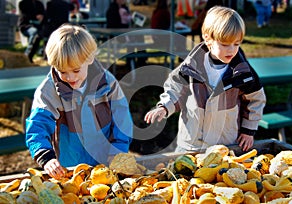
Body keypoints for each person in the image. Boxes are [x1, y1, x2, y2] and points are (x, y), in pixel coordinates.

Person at [144, 6, 266, 153]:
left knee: (220, 176)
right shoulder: (190, 68)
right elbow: (175, 91)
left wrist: (248, 130)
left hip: (224, 145)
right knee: (182, 174)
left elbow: (256, 100)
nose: (232, 50)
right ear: (208, 39)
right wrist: (164, 107)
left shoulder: (243, 74)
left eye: (237, 44)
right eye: (225, 44)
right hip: (190, 145)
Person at [25, 24, 133, 179]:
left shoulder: (107, 83)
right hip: (69, 168)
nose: (70, 78)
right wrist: (46, 158)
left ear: (89, 59)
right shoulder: (48, 91)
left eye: (76, 70)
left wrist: (117, 150)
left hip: (106, 164)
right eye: (62, 71)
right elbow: (37, 126)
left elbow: (122, 118)